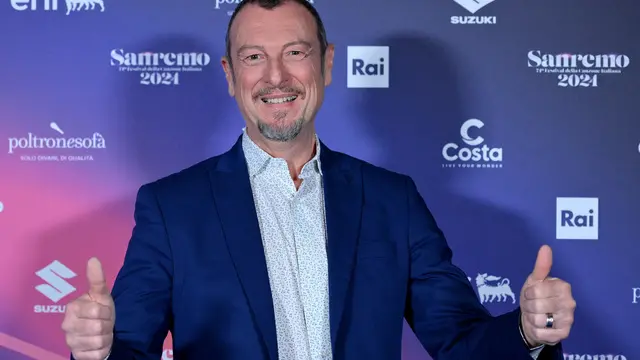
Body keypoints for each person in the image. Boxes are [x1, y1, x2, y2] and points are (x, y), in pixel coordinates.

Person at [61, 0, 576, 359]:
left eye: (296, 52)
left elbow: (460, 341)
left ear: (327, 64)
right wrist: (98, 350)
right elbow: (128, 347)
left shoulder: (392, 200)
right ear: (229, 75)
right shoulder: (171, 208)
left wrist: (528, 332)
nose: (276, 77)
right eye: (254, 57)